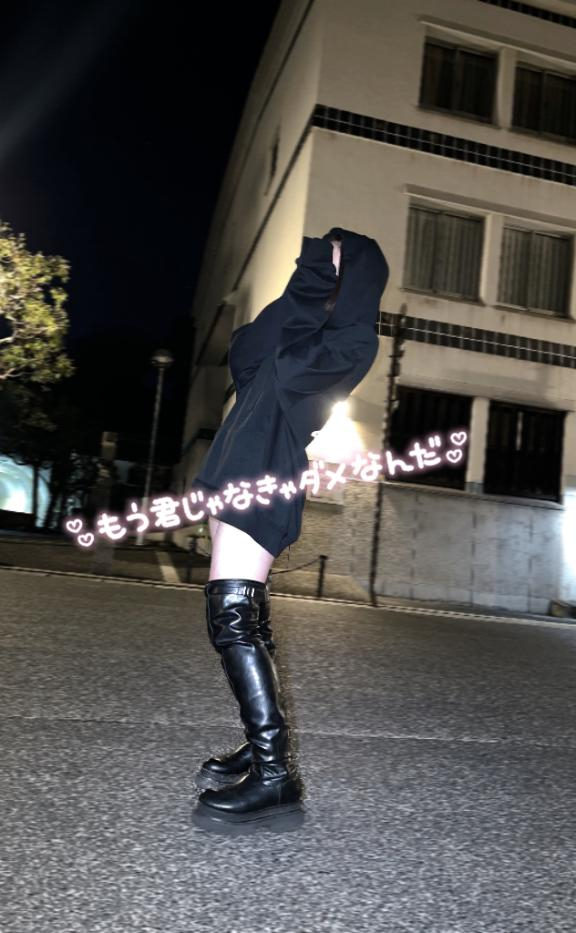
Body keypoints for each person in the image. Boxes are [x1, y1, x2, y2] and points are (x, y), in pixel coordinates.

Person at [191, 227, 389, 834]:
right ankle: (261, 750)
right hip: (238, 470)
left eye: (335, 261)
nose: (321, 261)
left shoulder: (342, 345)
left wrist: (326, 276)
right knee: (246, 621)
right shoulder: (291, 339)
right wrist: (312, 275)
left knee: (232, 619)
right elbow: (248, 351)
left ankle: (275, 774)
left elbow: (290, 359)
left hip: (264, 472)